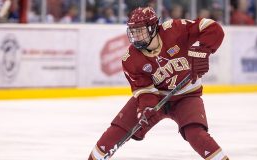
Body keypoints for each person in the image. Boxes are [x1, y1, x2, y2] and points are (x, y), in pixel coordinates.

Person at [88, 6, 228, 160]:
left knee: (196, 135)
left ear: (153, 27)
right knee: (116, 131)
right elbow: (144, 90)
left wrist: (202, 50)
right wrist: (146, 108)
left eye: (140, 30)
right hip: (157, 98)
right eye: (133, 31)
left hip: (186, 95)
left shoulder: (175, 30)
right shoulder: (130, 59)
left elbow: (213, 28)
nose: (136, 35)